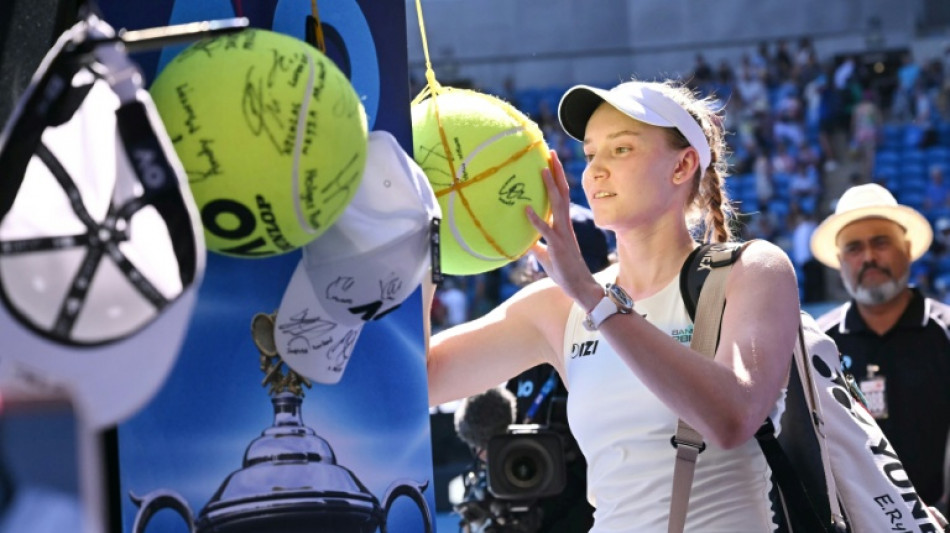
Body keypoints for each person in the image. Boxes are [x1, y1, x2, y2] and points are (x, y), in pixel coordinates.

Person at [426, 79, 800, 531]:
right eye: (589, 154)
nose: (595, 170)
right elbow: (422, 381)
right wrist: (425, 245)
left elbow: (731, 418)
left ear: (682, 166)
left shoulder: (751, 269)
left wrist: (593, 298)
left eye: (621, 150)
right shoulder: (558, 306)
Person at [811, 183, 950, 506]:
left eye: (881, 242)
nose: (869, 257)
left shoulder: (944, 333)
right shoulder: (818, 345)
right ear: (840, 261)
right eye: (854, 248)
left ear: (907, 249)